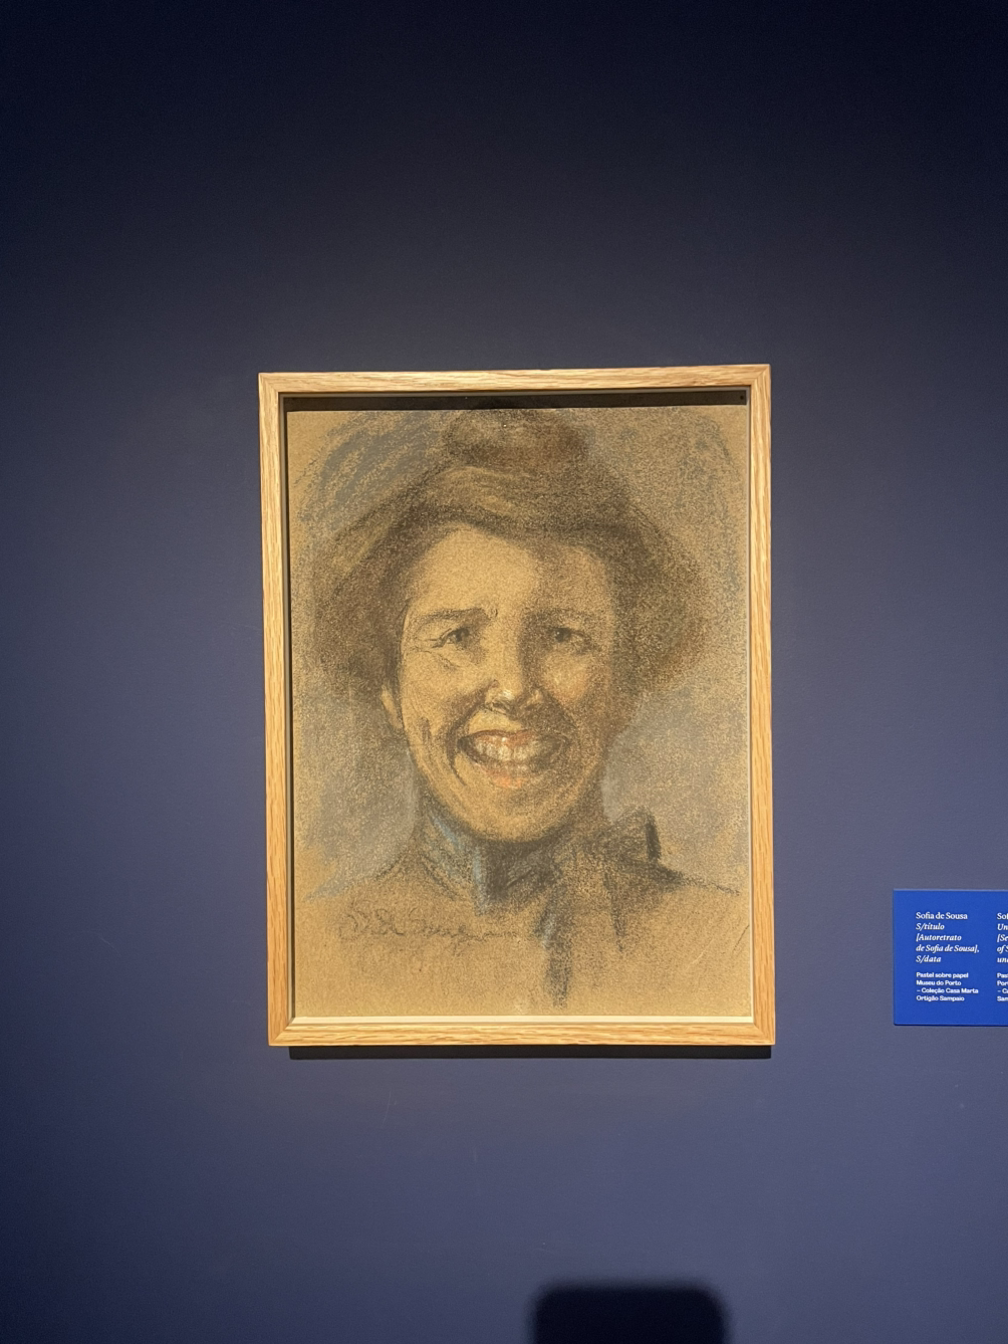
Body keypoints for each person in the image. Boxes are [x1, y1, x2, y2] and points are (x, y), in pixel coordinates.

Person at [296, 409, 750, 1016]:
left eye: (563, 637)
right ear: (390, 688)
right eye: (458, 637)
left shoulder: (724, 939)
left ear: (625, 686)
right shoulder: (321, 947)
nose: (513, 689)